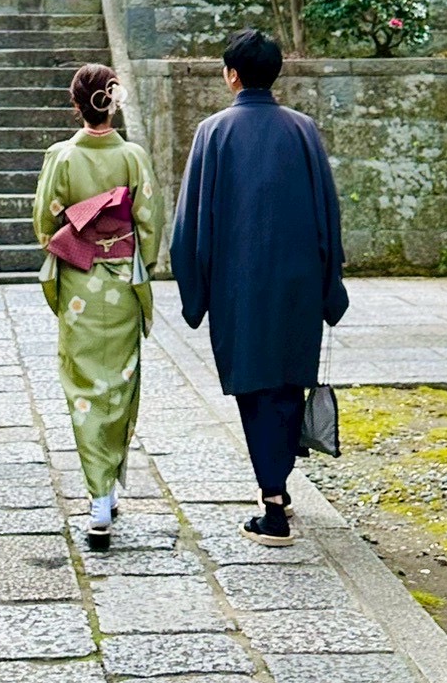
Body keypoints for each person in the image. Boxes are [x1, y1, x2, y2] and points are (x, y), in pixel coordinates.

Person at [169, 28, 348, 546]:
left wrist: (195, 290)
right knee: (289, 379)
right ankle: (281, 486)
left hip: (238, 286)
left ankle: (272, 504)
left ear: (232, 76)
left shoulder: (213, 132)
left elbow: (190, 225)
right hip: (297, 282)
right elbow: (327, 214)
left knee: (253, 385)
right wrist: (329, 280)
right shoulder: (304, 130)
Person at [33, 64, 163, 552]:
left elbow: (45, 224)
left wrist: (78, 241)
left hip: (80, 290)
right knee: (120, 383)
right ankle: (106, 490)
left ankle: (98, 498)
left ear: (76, 103)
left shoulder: (61, 157)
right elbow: (148, 222)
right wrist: (136, 261)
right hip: (123, 284)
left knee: (83, 387)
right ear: (114, 101)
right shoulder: (132, 157)